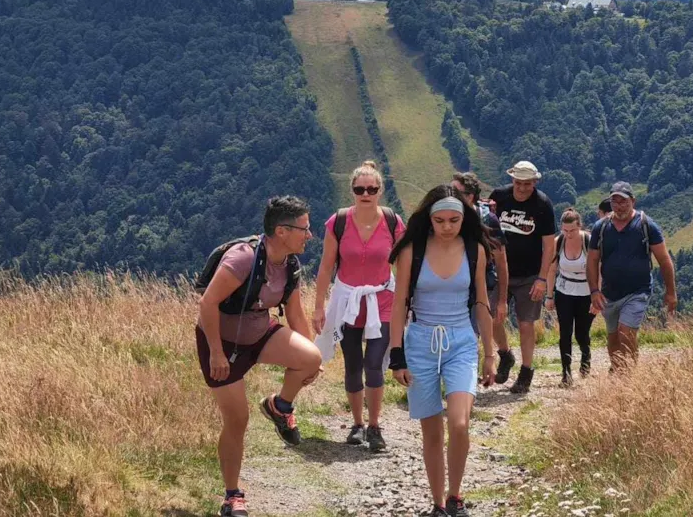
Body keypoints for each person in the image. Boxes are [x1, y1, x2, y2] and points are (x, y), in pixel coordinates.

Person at [196, 196, 324, 517]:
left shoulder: (290, 264)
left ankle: (280, 407)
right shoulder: (243, 259)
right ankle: (232, 496)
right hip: (221, 344)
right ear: (282, 231)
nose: (309, 236)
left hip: (259, 335)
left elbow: (294, 314)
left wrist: (312, 361)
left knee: (309, 357)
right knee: (237, 421)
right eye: (304, 229)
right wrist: (215, 353)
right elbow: (207, 304)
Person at [388, 185, 496, 517]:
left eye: (454, 220)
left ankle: (455, 495)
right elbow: (398, 304)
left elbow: (481, 302)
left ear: (464, 219)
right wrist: (397, 354)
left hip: (461, 341)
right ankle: (437, 504)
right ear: (429, 220)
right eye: (440, 221)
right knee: (432, 431)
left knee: (460, 423)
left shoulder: (475, 250)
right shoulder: (412, 252)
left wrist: (490, 353)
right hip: (420, 342)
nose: (447, 227)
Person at [313, 161, 405, 452]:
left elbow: (403, 264)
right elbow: (326, 266)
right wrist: (318, 307)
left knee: (374, 363)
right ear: (352, 191)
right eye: (359, 189)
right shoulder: (337, 222)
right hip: (348, 299)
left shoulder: (393, 222)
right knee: (353, 363)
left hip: (383, 300)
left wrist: (408, 300)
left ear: (380, 191)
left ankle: (375, 426)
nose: (366, 193)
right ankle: (357, 424)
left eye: (372, 189)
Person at [586, 182, 677, 372]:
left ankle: (631, 374)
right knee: (612, 338)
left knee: (625, 333)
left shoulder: (647, 225)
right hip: (609, 293)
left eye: (623, 202)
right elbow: (592, 260)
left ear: (633, 201)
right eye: (615, 202)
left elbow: (664, 260)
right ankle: (618, 373)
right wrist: (594, 291)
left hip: (638, 290)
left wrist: (671, 293)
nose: (619, 206)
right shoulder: (600, 228)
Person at [488, 161, 557, 394]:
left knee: (526, 324)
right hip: (500, 271)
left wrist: (542, 279)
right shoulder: (499, 197)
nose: (521, 188)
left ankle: (526, 371)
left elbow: (549, 246)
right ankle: (505, 354)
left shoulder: (543, 205)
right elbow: (486, 228)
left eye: (527, 184)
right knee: (492, 317)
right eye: (518, 183)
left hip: (530, 274)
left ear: (535, 182)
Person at [451, 172, 510, 344]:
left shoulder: (488, 220)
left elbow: (501, 261)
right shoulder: (444, 218)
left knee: (470, 338)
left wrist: (502, 301)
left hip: (480, 288)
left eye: (455, 192)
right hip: (451, 287)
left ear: (470, 196)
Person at [544, 208, 595, 387]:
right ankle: (566, 374)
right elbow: (551, 270)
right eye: (565, 230)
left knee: (582, 332)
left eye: (572, 230)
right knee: (565, 333)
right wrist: (549, 296)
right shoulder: (558, 243)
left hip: (586, 293)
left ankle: (585, 358)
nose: (569, 234)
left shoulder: (588, 241)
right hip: (564, 291)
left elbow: (599, 269)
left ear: (579, 226)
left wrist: (598, 296)